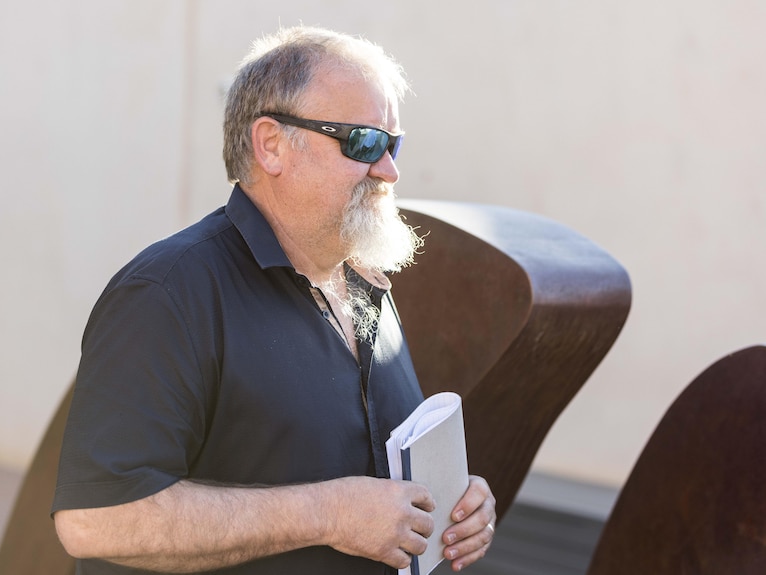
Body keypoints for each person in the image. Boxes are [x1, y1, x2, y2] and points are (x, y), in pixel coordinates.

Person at [52, 25, 496, 575]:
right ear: (271, 145)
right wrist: (327, 514)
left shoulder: (363, 282)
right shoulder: (167, 293)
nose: (389, 170)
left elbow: (374, 478)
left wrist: (456, 503)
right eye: (363, 142)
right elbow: (96, 518)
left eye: (393, 143)